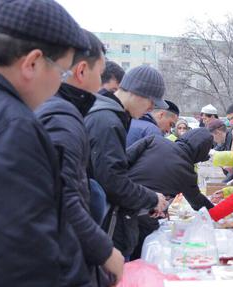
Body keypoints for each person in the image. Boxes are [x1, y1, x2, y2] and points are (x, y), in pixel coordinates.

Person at [0, 0, 92, 285]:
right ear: (32, 62)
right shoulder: (10, 127)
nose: (60, 84)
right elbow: (19, 261)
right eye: (62, 72)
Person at [36, 30, 123, 285]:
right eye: (101, 73)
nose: (102, 85)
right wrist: (105, 251)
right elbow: (62, 194)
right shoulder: (62, 117)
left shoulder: (54, 109)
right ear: (82, 71)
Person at [85, 65, 168, 257]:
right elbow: (113, 182)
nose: (150, 109)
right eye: (151, 103)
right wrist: (151, 198)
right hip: (101, 228)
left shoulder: (111, 115)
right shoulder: (107, 121)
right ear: (137, 93)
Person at [126, 128, 214, 259]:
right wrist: (217, 213)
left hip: (121, 198)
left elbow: (125, 159)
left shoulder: (155, 140)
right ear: (200, 153)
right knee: (137, 256)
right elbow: (196, 201)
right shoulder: (186, 170)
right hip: (146, 213)